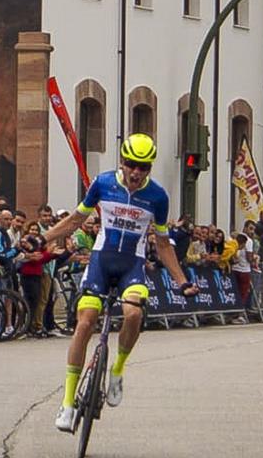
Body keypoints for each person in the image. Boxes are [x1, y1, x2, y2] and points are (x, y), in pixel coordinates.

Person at [41, 133, 197, 433]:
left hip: (131, 265)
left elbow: (163, 245)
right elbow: (75, 220)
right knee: (85, 322)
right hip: (102, 261)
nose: (136, 172)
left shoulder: (158, 197)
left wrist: (182, 281)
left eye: (144, 167)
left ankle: (117, 371)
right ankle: (68, 402)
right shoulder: (102, 183)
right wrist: (42, 238)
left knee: (134, 313)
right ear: (121, 162)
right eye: (131, 164)